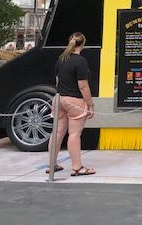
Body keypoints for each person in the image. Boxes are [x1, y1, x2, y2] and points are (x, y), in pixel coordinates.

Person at [47, 32, 96, 177]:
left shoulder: (61, 59)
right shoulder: (80, 61)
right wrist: (90, 104)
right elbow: (83, 86)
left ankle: (51, 164)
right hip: (75, 100)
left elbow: (57, 81)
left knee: (57, 133)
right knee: (74, 134)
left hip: (59, 99)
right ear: (83, 44)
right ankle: (77, 167)